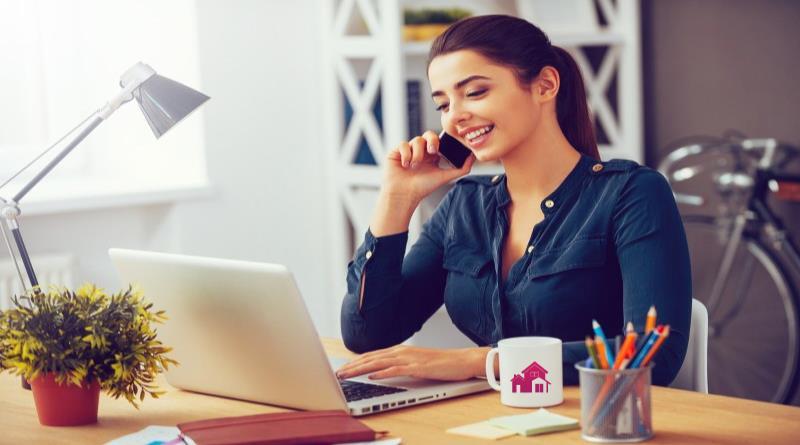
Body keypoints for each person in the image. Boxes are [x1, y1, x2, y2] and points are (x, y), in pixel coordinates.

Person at [335, 15, 691, 386]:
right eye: (443, 105)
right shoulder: (464, 207)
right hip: (497, 421)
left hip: (597, 423)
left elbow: (653, 354)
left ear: (545, 86)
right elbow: (367, 335)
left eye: (474, 92)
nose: (455, 117)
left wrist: (482, 362)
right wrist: (396, 198)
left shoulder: (632, 194)